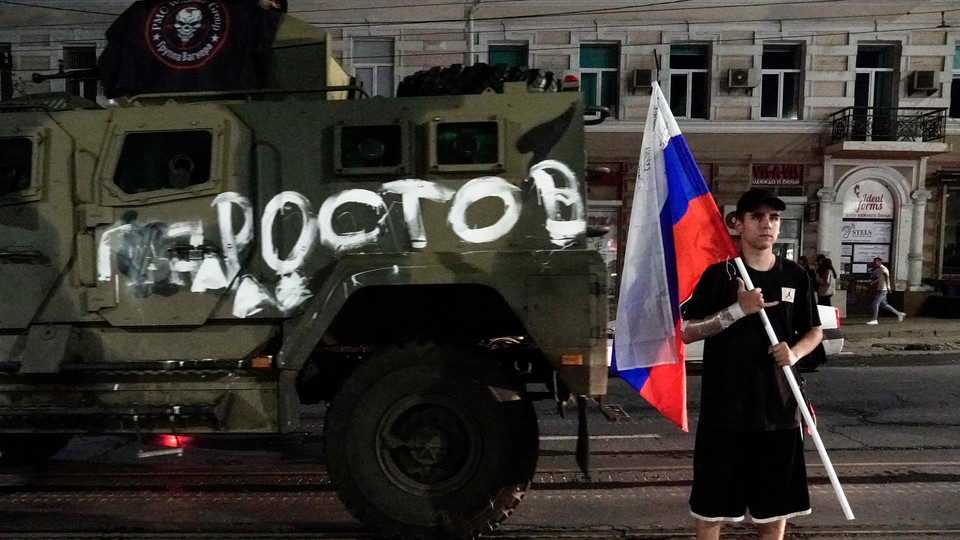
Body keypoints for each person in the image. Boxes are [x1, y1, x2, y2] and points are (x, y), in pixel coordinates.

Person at [680, 188, 822, 540]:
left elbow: (814, 331)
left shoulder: (795, 275)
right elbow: (687, 332)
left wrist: (794, 352)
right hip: (725, 414)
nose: (767, 224)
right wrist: (737, 309)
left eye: (773, 218)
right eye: (757, 217)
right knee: (711, 510)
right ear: (738, 224)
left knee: (774, 513)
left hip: (779, 412)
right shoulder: (719, 275)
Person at [866, 257, 905, 325]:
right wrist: (872, 283)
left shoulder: (883, 268)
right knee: (885, 305)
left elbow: (887, 277)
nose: (874, 264)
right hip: (880, 288)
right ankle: (899, 314)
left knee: (875, 303)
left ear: (879, 263)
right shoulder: (879, 269)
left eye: (875, 263)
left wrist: (888, 287)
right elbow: (880, 278)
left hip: (883, 289)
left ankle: (875, 319)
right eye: (874, 263)